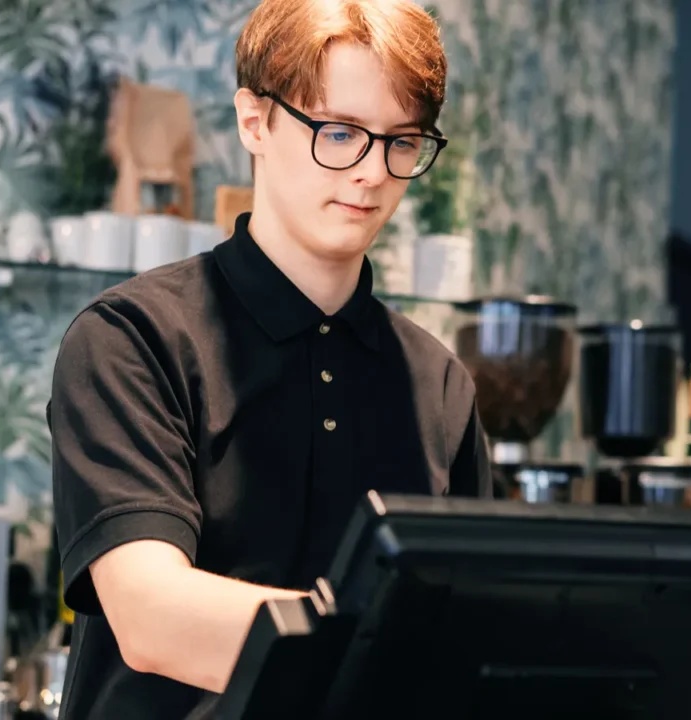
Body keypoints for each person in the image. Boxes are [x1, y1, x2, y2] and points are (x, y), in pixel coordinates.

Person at [48, 0, 492, 717]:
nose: (373, 174)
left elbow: (468, 628)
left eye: (402, 141)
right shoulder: (133, 340)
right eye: (340, 132)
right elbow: (153, 617)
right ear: (255, 121)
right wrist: (387, 642)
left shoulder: (439, 386)